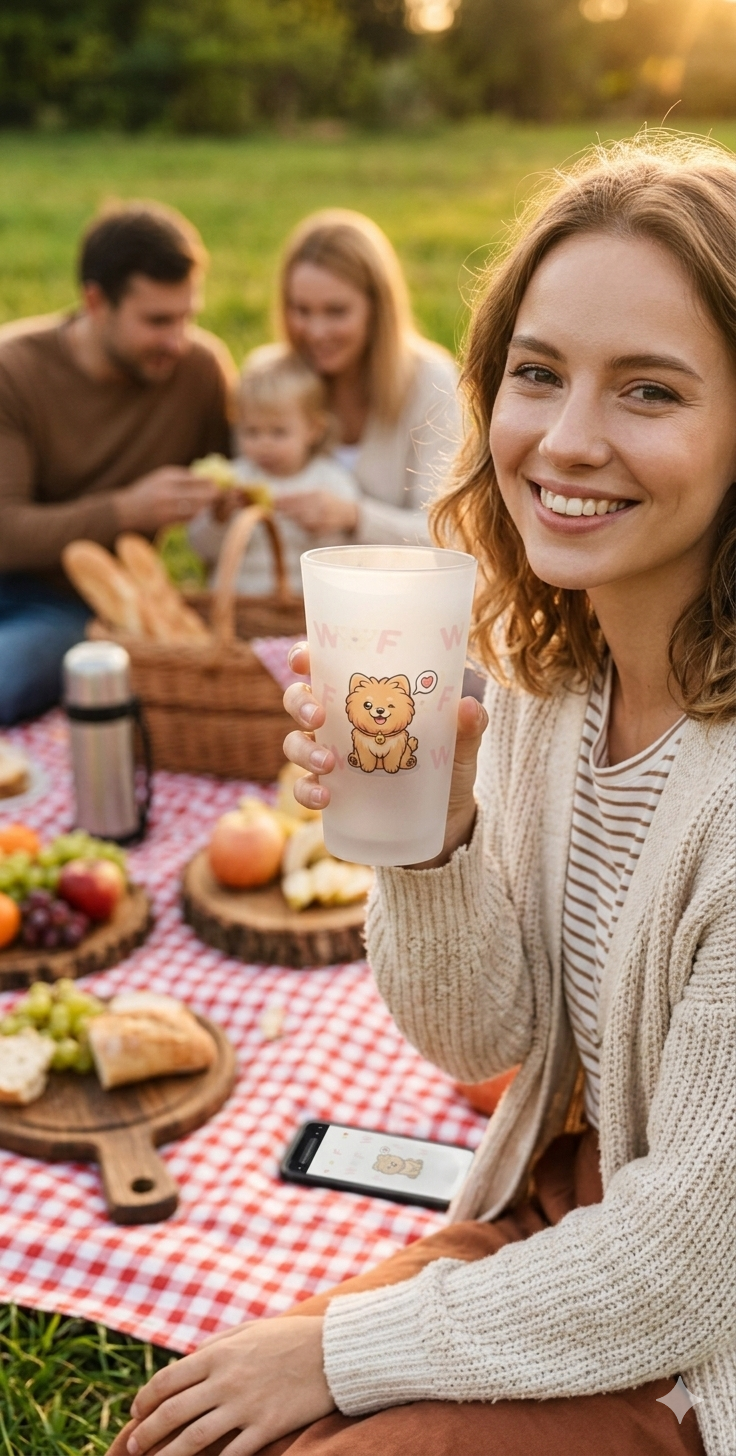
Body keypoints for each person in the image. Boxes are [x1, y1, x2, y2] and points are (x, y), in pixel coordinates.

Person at [111, 133, 736, 1456]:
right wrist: (435, 839)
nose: (565, 439)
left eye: (649, 390)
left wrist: (336, 1351)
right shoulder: (552, 678)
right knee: (182, 1440)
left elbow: (692, 1267)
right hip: (572, 1203)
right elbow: (477, 1041)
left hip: (701, 1324)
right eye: (537, 373)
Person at [0, 202, 235, 724]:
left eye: (188, 316)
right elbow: (5, 534)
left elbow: (240, 485)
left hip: (78, 603)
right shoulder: (13, 370)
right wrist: (126, 511)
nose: (178, 340)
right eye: (157, 321)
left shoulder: (200, 372)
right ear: (95, 302)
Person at [273, 209, 461, 548]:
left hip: (399, 581)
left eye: (336, 311)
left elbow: (447, 531)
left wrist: (355, 517)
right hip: (286, 580)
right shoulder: (271, 381)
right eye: (301, 310)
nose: (316, 332)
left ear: (376, 309)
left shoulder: (431, 381)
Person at [188, 345, 358, 596]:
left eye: (278, 432)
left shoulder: (330, 481)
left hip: (304, 600)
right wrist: (218, 518)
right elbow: (201, 548)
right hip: (239, 599)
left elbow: (349, 554)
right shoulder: (236, 479)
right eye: (251, 432)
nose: (264, 444)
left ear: (313, 429)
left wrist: (323, 527)